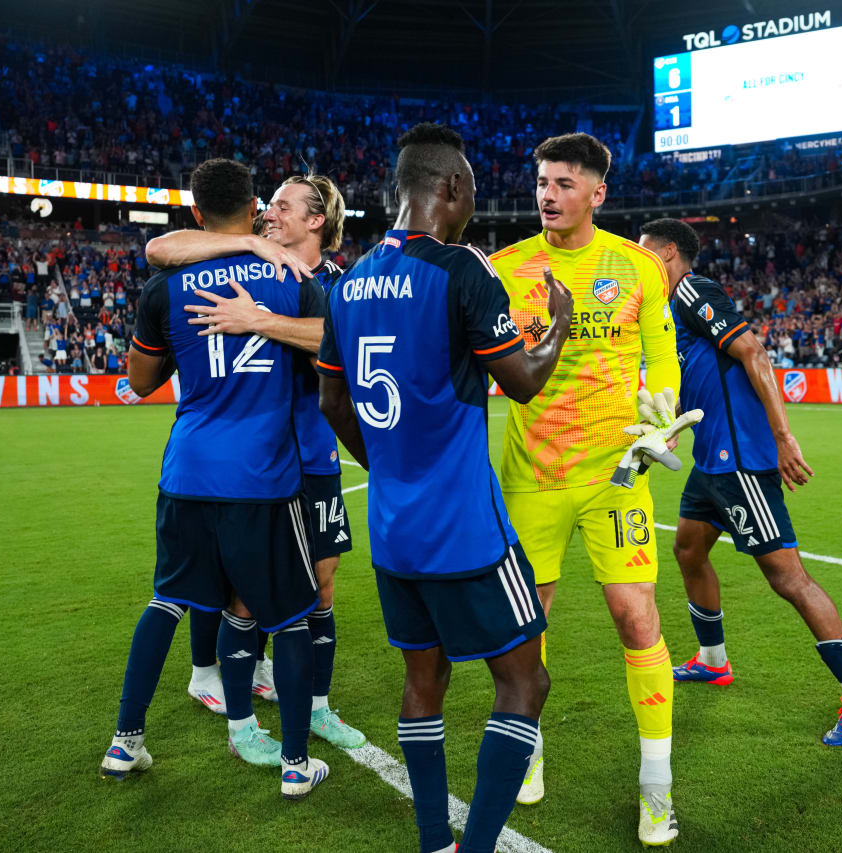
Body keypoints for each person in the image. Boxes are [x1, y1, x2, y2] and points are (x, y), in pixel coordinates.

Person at [317, 123, 571, 853]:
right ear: (450, 188)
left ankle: (435, 840)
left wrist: (391, 465)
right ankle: (480, 845)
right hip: (465, 528)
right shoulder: (463, 268)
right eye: (471, 193)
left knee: (423, 679)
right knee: (526, 683)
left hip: (394, 530)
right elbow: (522, 382)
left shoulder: (348, 282)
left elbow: (334, 404)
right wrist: (556, 327)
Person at [99, 158, 330, 801]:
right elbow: (333, 347)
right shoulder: (292, 275)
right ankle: (293, 764)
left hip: (188, 469)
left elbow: (140, 382)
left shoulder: (165, 287)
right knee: (288, 618)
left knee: (167, 600)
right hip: (263, 477)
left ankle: (126, 741)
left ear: (197, 214)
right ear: (255, 205)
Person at [487, 133, 681, 845]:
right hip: (532, 478)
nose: (547, 193)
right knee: (525, 630)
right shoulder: (507, 269)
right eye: (542, 181)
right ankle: (529, 753)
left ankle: (656, 787)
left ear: (597, 193)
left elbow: (661, 354)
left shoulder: (636, 267)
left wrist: (661, 409)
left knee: (638, 619)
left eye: (564, 183)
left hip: (616, 477)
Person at [638, 218, 842, 748]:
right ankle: (712, 660)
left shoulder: (691, 290)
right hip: (710, 462)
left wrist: (783, 437)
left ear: (670, 253)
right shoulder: (668, 313)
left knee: (788, 578)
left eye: (645, 254)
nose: (639, 264)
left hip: (740, 461)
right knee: (687, 549)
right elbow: (699, 382)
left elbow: (752, 351)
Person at [146, 173, 365, 748]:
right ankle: (234, 703)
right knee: (241, 590)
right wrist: (248, 243)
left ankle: (315, 706)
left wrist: (260, 321)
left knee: (320, 584)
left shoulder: (338, 284)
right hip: (257, 467)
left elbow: (346, 347)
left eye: (283, 208)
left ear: (316, 220)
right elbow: (161, 248)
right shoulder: (247, 261)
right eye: (265, 208)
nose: (268, 214)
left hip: (311, 457)